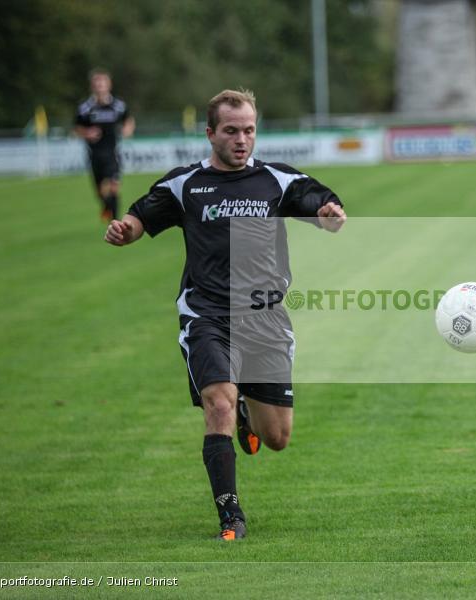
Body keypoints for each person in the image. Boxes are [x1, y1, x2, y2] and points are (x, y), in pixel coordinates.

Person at [104, 89, 346, 540]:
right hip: (208, 315)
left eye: (249, 130)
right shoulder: (186, 185)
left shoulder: (276, 180)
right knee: (217, 400)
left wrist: (329, 215)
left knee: (276, 438)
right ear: (210, 132)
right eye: (232, 130)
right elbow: (140, 216)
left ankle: (246, 417)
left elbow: (321, 202)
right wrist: (125, 230)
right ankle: (231, 516)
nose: (242, 139)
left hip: (266, 320)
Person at [75, 69, 136, 222]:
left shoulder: (118, 106)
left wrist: (127, 129)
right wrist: (87, 133)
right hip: (95, 155)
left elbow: (129, 120)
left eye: (103, 83)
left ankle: (115, 222)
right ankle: (107, 208)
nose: (100, 87)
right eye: (97, 84)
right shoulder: (86, 108)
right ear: (92, 87)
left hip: (112, 153)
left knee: (113, 186)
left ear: (109, 85)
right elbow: (77, 128)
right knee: (101, 193)